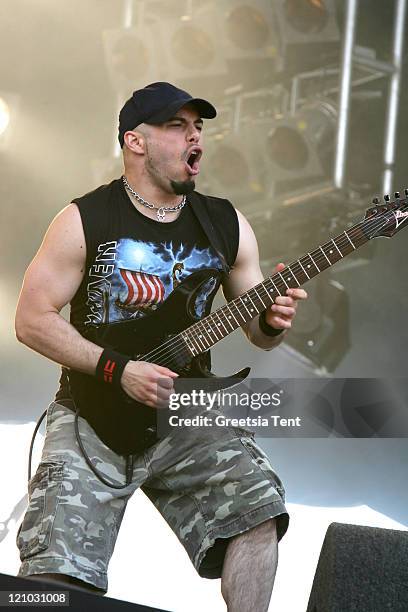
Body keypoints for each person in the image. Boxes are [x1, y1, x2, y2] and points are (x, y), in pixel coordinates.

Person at [15, 82, 307, 612]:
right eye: (178, 126)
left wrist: (275, 319)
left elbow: (259, 332)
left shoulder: (226, 224)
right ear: (136, 141)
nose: (194, 137)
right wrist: (116, 369)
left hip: (183, 410)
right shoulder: (84, 219)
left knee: (259, 510)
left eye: (199, 128)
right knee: (55, 577)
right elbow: (31, 320)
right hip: (90, 415)